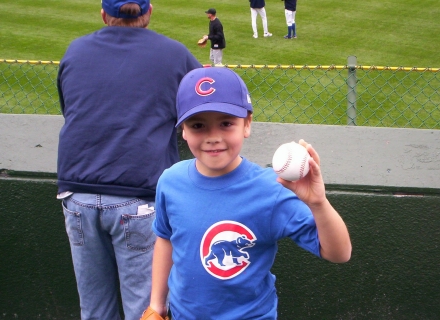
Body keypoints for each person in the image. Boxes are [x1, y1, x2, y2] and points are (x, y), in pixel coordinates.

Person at [146, 67, 352, 319]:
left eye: (226, 123)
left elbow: (339, 253)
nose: (213, 137)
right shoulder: (171, 181)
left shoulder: (272, 189)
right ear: (184, 130)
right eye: (198, 125)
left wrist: (318, 203)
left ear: (247, 124)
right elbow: (165, 239)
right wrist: (157, 304)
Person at [56, 0, 201, 319]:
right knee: (145, 310)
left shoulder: (76, 50)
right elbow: (204, 108)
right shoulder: (174, 54)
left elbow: (72, 110)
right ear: (148, 13)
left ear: (104, 14)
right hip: (139, 199)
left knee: (94, 310)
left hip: (76, 197)